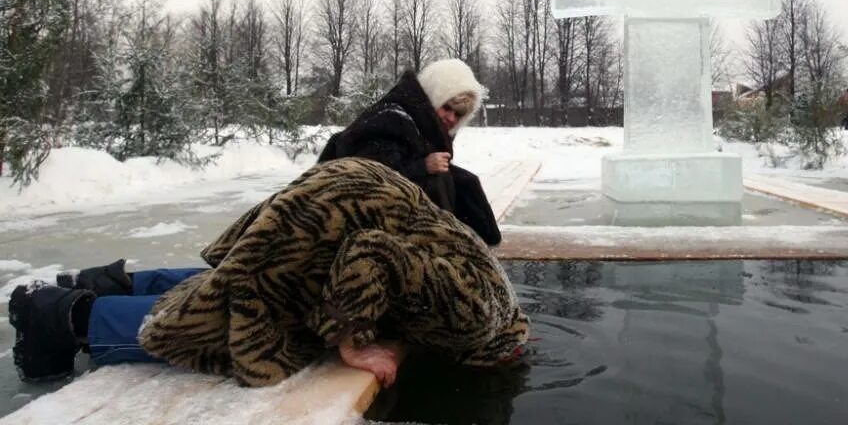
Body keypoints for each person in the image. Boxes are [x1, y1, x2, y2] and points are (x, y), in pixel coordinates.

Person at [8, 158, 529, 387]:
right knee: (255, 325)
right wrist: (353, 340)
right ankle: (67, 317)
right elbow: (374, 254)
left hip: (353, 195)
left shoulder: (495, 300)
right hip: (347, 213)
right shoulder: (475, 319)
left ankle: (111, 283)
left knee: (252, 277)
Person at [318, 58, 500, 246]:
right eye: (446, 107)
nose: (451, 118)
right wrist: (423, 166)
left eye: (458, 114)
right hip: (353, 215)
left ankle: (470, 245)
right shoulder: (391, 118)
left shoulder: (427, 125)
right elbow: (369, 177)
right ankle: (445, 245)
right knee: (439, 179)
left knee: (464, 181)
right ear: (433, 96)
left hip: (393, 214)